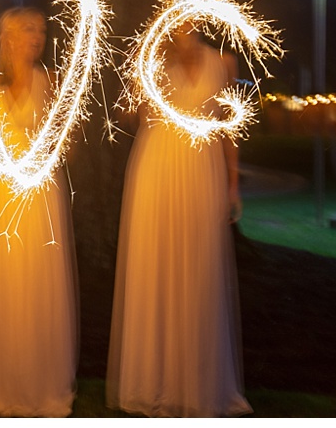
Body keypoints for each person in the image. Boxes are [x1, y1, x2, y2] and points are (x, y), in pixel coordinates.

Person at [106, 25, 252, 417]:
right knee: (157, 268)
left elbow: (229, 128)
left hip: (201, 170)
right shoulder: (151, 61)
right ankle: (151, 381)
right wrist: (138, 80)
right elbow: (128, 115)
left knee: (198, 271)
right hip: (156, 168)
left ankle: (197, 381)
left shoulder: (223, 63)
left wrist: (232, 184)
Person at [0, 7, 78, 417]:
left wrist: (48, 148)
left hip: (39, 193)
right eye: (28, 29)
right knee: (0, 278)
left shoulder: (52, 83)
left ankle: (37, 381)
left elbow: (66, 145)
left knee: (37, 278)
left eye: (41, 30)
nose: (37, 37)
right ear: (7, 38)